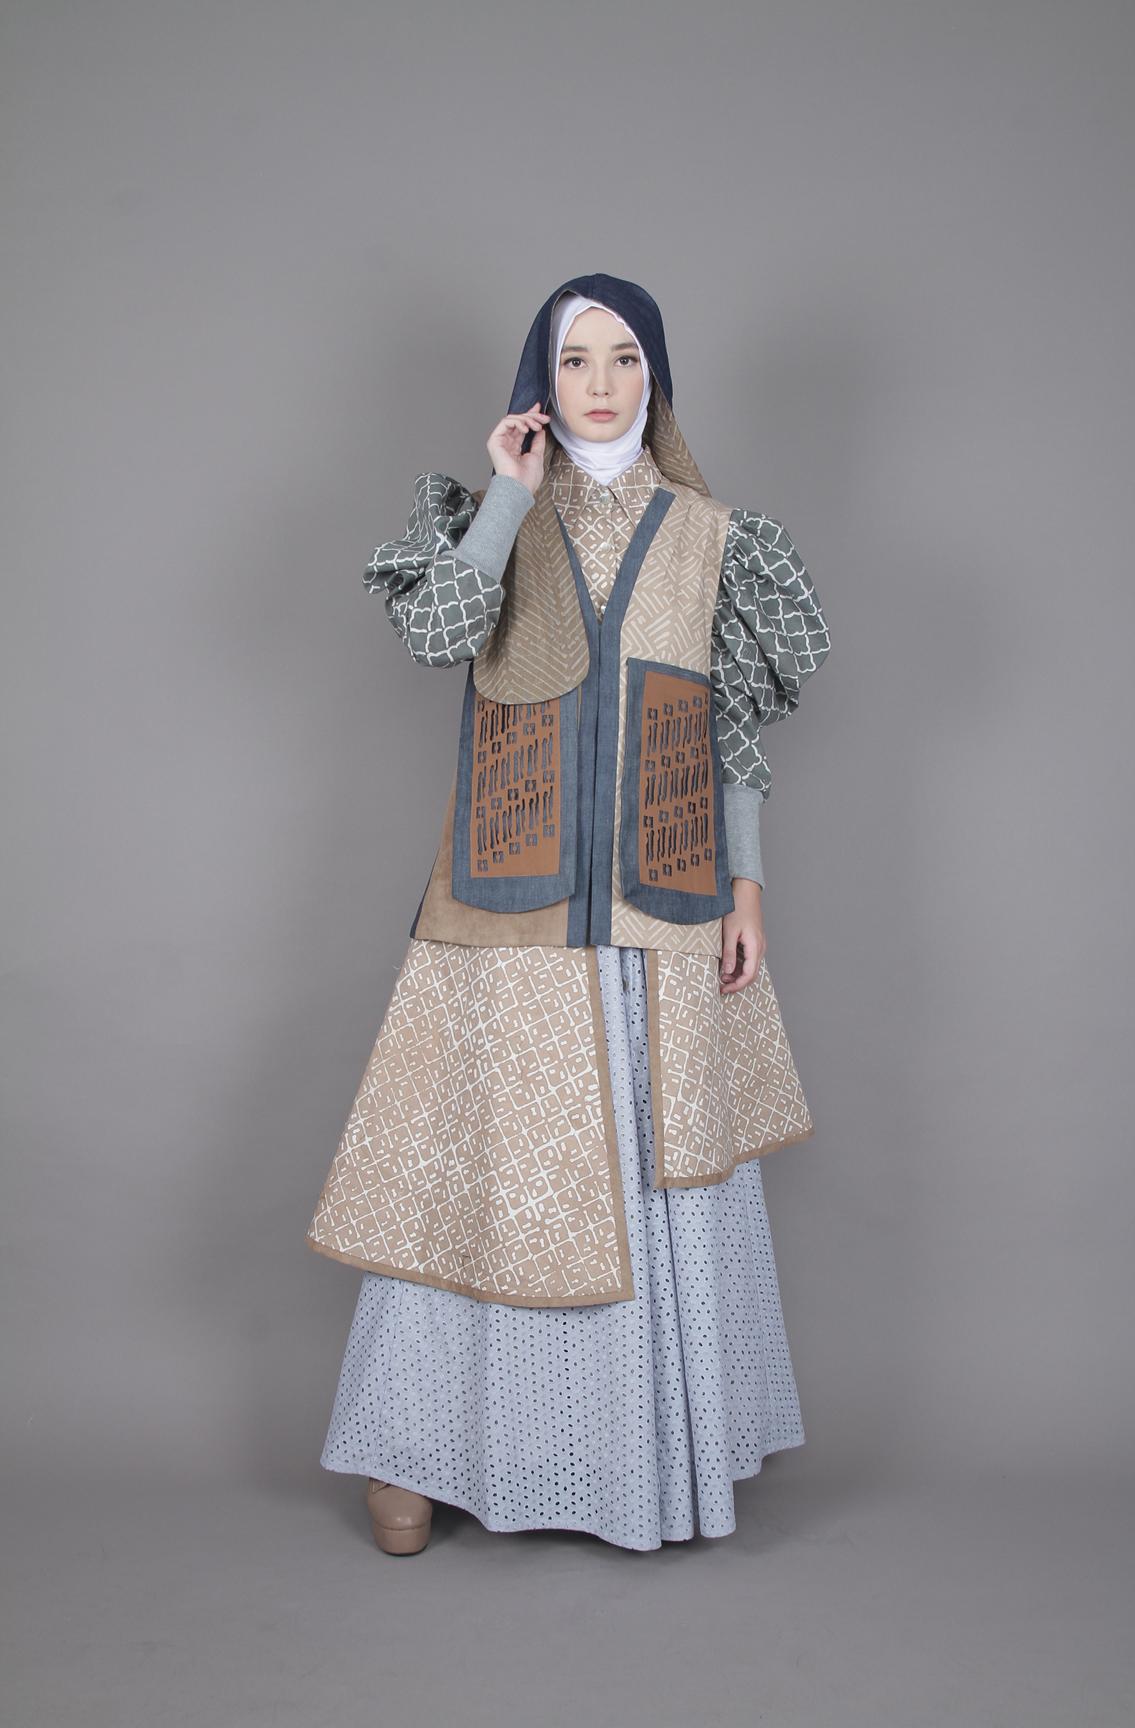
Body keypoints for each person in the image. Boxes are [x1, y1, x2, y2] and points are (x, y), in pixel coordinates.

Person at [307, 272, 831, 1554]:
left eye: (624, 357)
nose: (600, 382)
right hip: (507, 905)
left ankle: (637, 1460)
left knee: (652, 1176)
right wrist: (506, 493)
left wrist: (748, 885)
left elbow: (734, 728)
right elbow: (437, 637)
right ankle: (414, 1450)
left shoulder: (716, 536)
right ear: (539, 380)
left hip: (665, 905)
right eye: (574, 357)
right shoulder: (491, 515)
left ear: (657, 376)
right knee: (483, 1169)